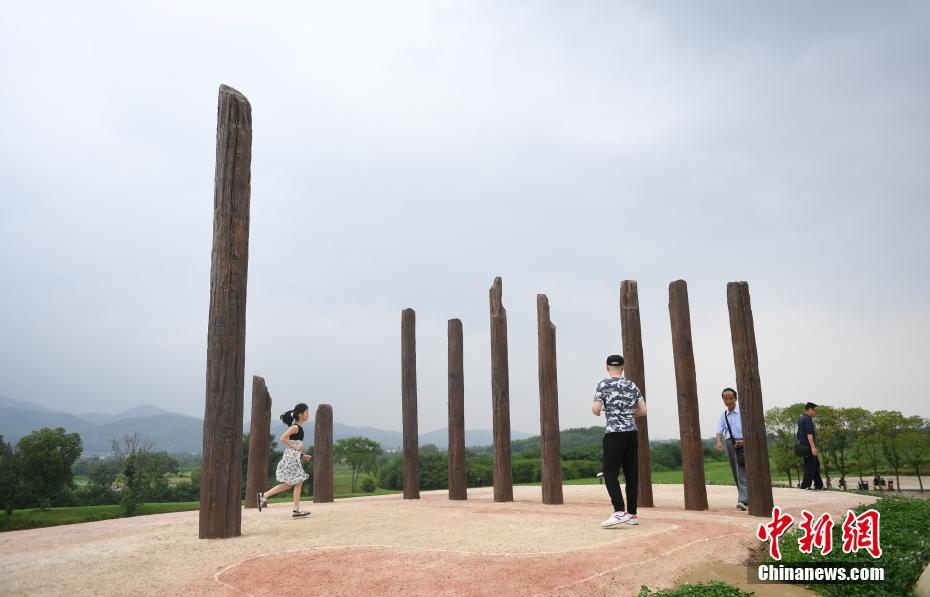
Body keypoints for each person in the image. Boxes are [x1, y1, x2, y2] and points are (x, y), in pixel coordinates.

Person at [592, 354, 646, 528]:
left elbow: (596, 409)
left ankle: (618, 511)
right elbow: (643, 411)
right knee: (631, 474)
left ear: (607, 367)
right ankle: (632, 514)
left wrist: (603, 410)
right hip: (631, 433)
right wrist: (629, 414)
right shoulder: (632, 385)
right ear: (623, 367)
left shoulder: (603, 385)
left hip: (614, 433)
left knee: (610, 473)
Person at [257, 403, 313, 518]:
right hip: (290, 459)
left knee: (289, 484)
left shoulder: (299, 428)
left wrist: (303, 456)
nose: (308, 414)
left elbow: (296, 445)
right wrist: (296, 447)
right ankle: (296, 510)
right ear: (301, 414)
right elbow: (282, 438)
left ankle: (264, 495)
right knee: (298, 481)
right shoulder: (295, 427)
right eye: (307, 412)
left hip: (293, 458)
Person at [715, 387, 748, 511]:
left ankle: (743, 500)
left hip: (746, 442)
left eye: (730, 398)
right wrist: (719, 442)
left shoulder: (744, 412)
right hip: (731, 443)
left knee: (742, 471)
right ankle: (744, 498)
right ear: (723, 400)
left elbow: (751, 427)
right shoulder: (723, 415)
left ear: (736, 398)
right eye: (726, 398)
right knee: (736, 471)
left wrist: (745, 441)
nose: (728, 401)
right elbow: (719, 430)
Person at [797, 402, 823, 490]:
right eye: (815, 410)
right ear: (810, 409)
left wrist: (802, 443)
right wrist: (813, 447)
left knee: (816, 464)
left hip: (803, 446)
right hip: (809, 447)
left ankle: (819, 485)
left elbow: (798, 434)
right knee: (810, 466)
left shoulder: (801, 418)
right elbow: (809, 434)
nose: (816, 412)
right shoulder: (808, 419)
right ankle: (805, 485)